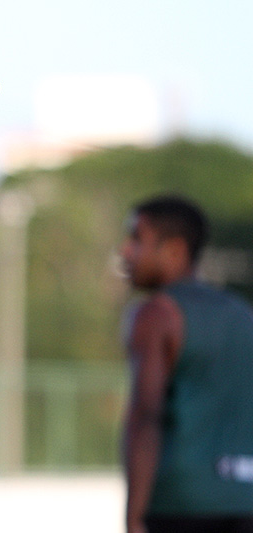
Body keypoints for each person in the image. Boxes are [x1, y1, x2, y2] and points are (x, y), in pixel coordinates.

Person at [121, 195, 253, 533]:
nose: (126, 251)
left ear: (175, 249)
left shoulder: (158, 313)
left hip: (181, 505)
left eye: (137, 238)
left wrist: (134, 518)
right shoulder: (243, 313)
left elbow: (146, 418)